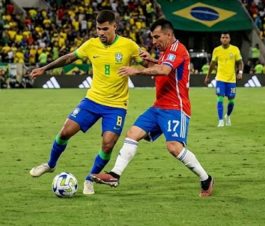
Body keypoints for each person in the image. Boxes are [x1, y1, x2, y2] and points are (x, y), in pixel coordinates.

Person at [91, 18, 214, 197]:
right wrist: (153, 60)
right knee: (132, 134)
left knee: (174, 147)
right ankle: (115, 175)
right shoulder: (166, 51)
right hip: (158, 107)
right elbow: (165, 65)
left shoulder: (177, 49)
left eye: (157, 37)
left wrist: (138, 70)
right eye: (152, 37)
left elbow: (164, 70)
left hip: (175, 107)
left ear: (169, 35)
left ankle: (206, 179)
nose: (153, 41)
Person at [28, 10, 144, 196]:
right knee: (65, 132)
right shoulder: (91, 44)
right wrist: (45, 68)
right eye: (98, 29)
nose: (101, 33)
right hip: (92, 100)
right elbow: (69, 57)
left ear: (114, 27)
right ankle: (50, 164)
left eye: (105, 29)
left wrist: (143, 68)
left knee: (108, 144)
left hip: (116, 106)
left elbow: (148, 64)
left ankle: (90, 179)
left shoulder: (129, 45)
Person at [203, 32, 243, 127]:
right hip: (220, 78)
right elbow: (212, 64)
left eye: (226, 37)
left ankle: (227, 116)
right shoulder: (216, 50)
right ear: (220, 39)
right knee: (220, 97)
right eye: (223, 37)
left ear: (229, 39)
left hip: (231, 79)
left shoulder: (235, 49)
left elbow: (240, 62)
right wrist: (208, 76)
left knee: (231, 100)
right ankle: (220, 120)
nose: (225, 39)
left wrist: (240, 72)